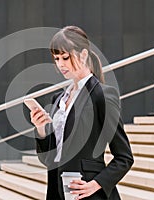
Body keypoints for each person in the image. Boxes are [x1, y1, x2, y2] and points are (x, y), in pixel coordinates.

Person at [29, 26, 134, 200]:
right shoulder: (58, 99)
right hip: (57, 192)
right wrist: (40, 129)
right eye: (56, 58)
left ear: (83, 55)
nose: (60, 64)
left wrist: (95, 185)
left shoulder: (103, 95)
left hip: (89, 194)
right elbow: (49, 159)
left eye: (65, 57)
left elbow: (124, 157)